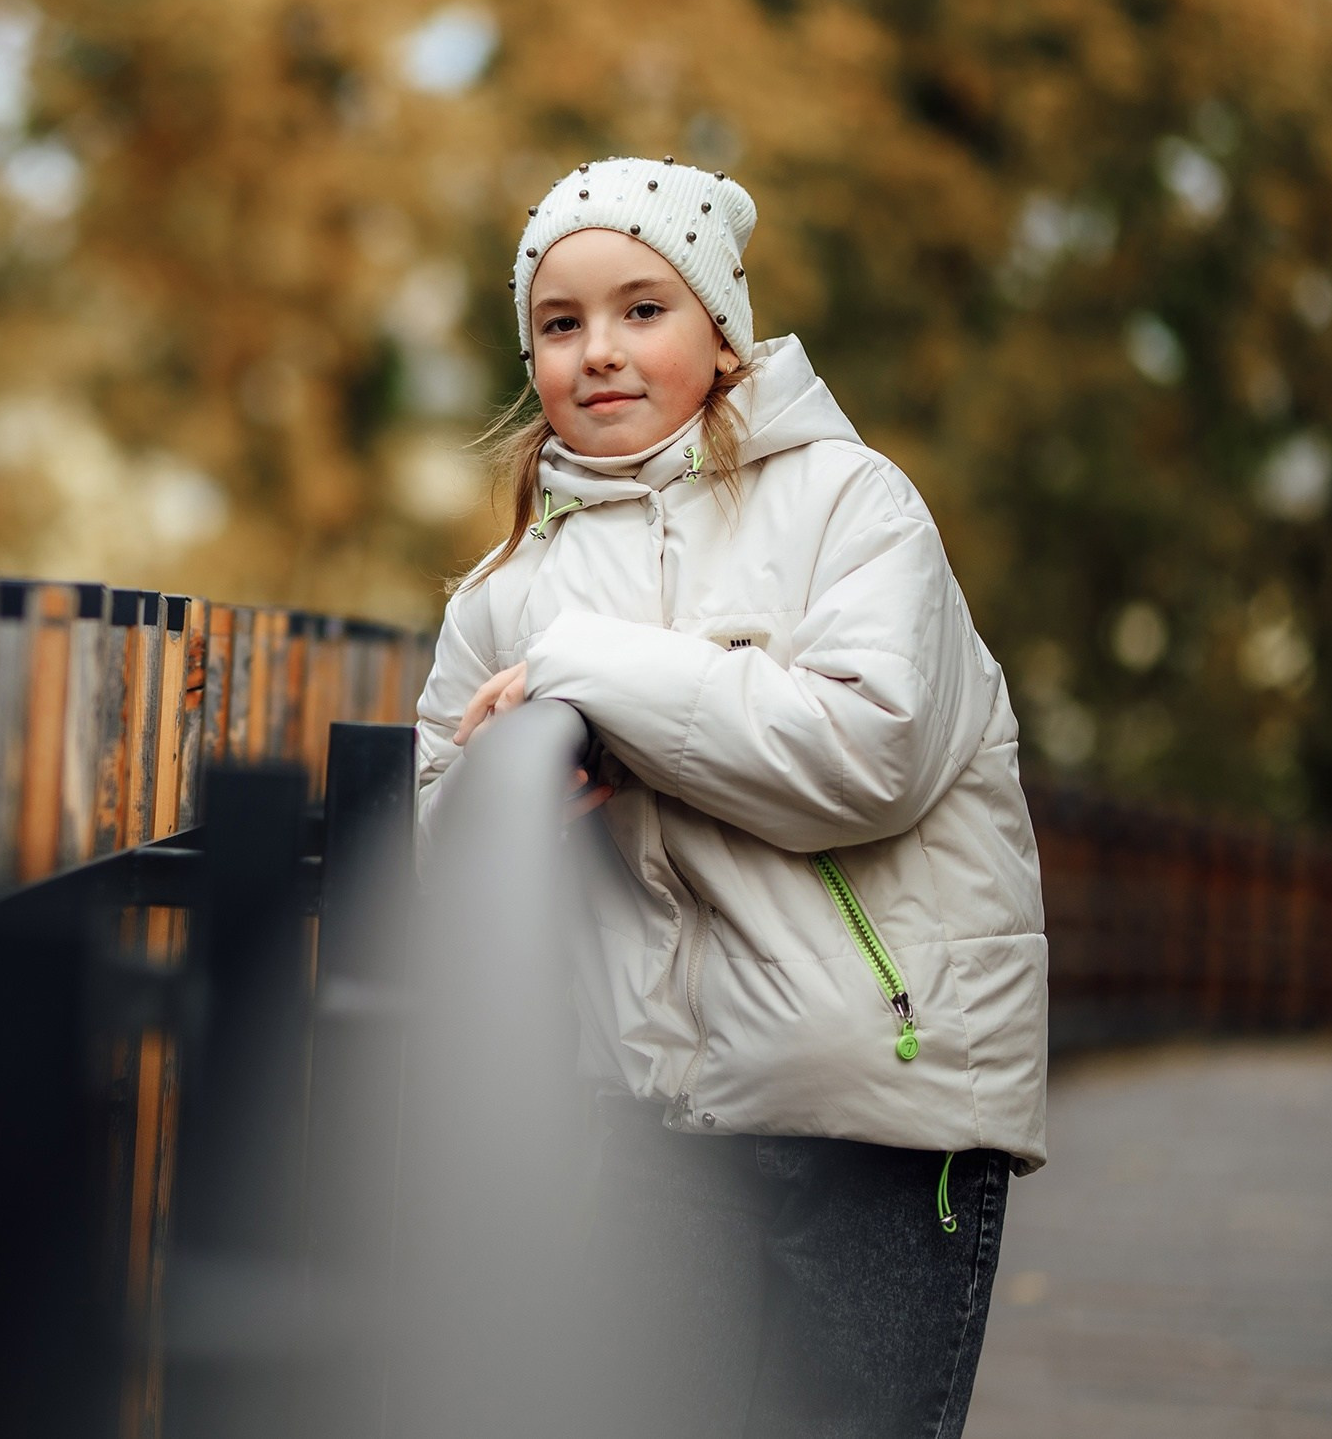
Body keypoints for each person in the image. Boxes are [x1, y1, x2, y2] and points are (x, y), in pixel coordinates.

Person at [413, 157, 1048, 1437]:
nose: (598, 350)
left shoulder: (851, 506)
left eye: (643, 309)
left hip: (879, 1111)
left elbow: (868, 758)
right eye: (559, 322)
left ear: (723, 328)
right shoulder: (501, 591)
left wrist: (598, 673)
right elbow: (436, 833)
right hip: (651, 1121)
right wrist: (506, 801)